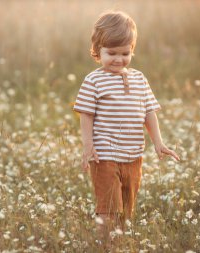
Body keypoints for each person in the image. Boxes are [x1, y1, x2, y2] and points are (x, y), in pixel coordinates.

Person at [72, 10, 180, 246]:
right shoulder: (94, 80)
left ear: (132, 49)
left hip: (133, 155)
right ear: (97, 50)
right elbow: (86, 115)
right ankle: (105, 243)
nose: (118, 59)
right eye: (111, 53)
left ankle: (119, 242)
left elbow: (149, 113)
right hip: (104, 155)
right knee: (108, 206)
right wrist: (88, 146)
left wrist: (158, 143)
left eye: (125, 53)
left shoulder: (140, 79)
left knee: (126, 207)